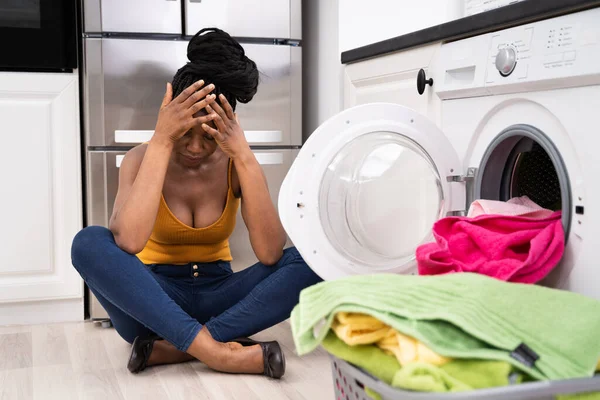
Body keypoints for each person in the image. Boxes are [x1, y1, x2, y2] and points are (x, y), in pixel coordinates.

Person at [71, 28, 321, 379]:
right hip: (153, 301)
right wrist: (161, 140)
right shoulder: (141, 158)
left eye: (207, 135)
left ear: (225, 126)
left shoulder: (236, 163)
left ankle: (175, 348)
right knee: (88, 242)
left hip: (222, 295)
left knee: (313, 258)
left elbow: (269, 254)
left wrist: (245, 156)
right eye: (184, 132)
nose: (194, 147)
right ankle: (217, 353)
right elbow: (128, 242)